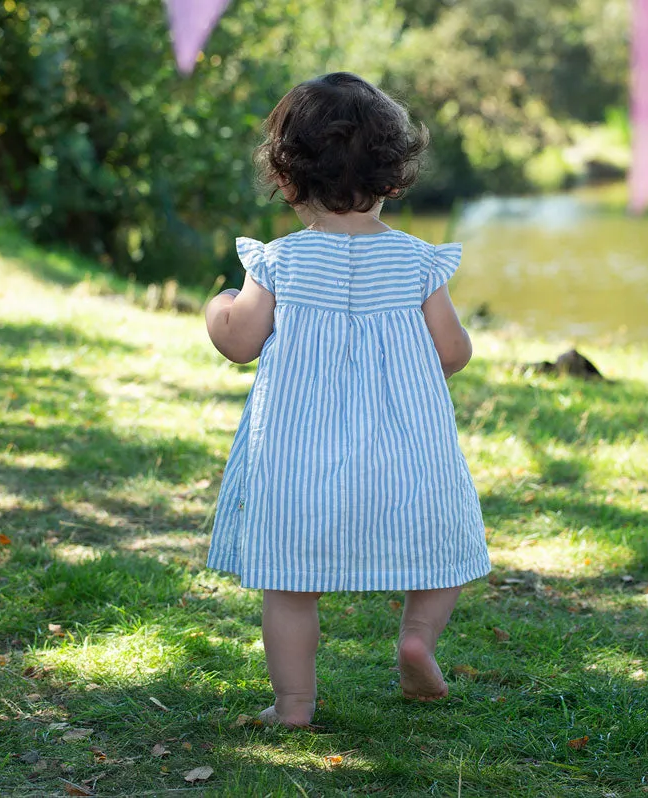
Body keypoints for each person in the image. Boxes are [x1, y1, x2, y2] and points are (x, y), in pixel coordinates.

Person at [203, 72, 491, 728]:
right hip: (406, 451)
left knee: (290, 582)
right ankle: (417, 636)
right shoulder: (419, 264)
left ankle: (294, 705)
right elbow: (452, 353)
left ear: (286, 178)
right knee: (443, 545)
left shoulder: (279, 263)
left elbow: (240, 341)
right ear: (395, 177)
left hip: (298, 457)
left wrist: (217, 307)